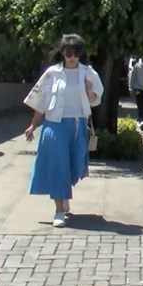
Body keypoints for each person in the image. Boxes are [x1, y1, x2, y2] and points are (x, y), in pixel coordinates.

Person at [22, 34, 104, 228]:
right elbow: (40, 100)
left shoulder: (88, 73)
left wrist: (88, 91)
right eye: (68, 53)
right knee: (58, 165)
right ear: (62, 53)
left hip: (77, 125)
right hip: (54, 125)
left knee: (76, 166)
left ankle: (64, 190)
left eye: (76, 53)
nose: (72, 57)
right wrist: (33, 124)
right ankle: (59, 209)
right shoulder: (53, 73)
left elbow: (95, 99)